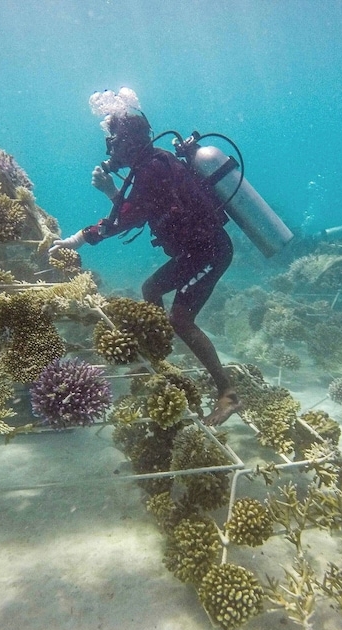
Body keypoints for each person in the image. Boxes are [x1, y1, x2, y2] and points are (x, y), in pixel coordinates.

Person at [49, 112, 242, 426]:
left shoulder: (152, 169)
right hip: (196, 251)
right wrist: (113, 190)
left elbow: (128, 217)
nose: (110, 151)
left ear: (128, 143)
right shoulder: (153, 163)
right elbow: (139, 209)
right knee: (150, 289)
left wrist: (79, 237)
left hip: (210, 252)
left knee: (181, 318)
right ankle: (160, 353)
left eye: (113, 143)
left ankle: (228, 393)